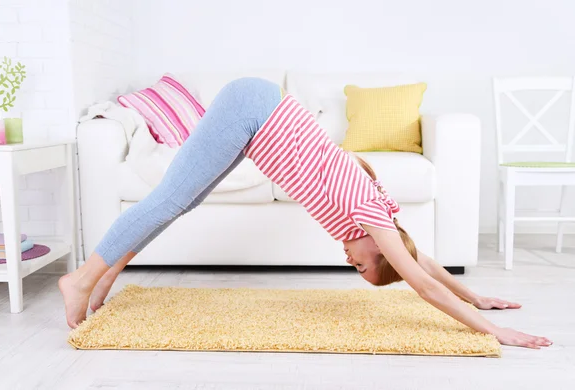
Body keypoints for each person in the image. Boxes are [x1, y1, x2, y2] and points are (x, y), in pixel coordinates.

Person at [60, 77, 551, 350]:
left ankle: (106, 275)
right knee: (169, 198)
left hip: (256, 114)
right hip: (252, 108)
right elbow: (421, 284)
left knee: (182, 200)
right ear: (377, 250)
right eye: (359, 264)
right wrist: (493, 331)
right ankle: (82, 278)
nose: (348, 261)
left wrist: (479, 296)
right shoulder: (368, 213)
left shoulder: (379, 218)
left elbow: (424, 262)